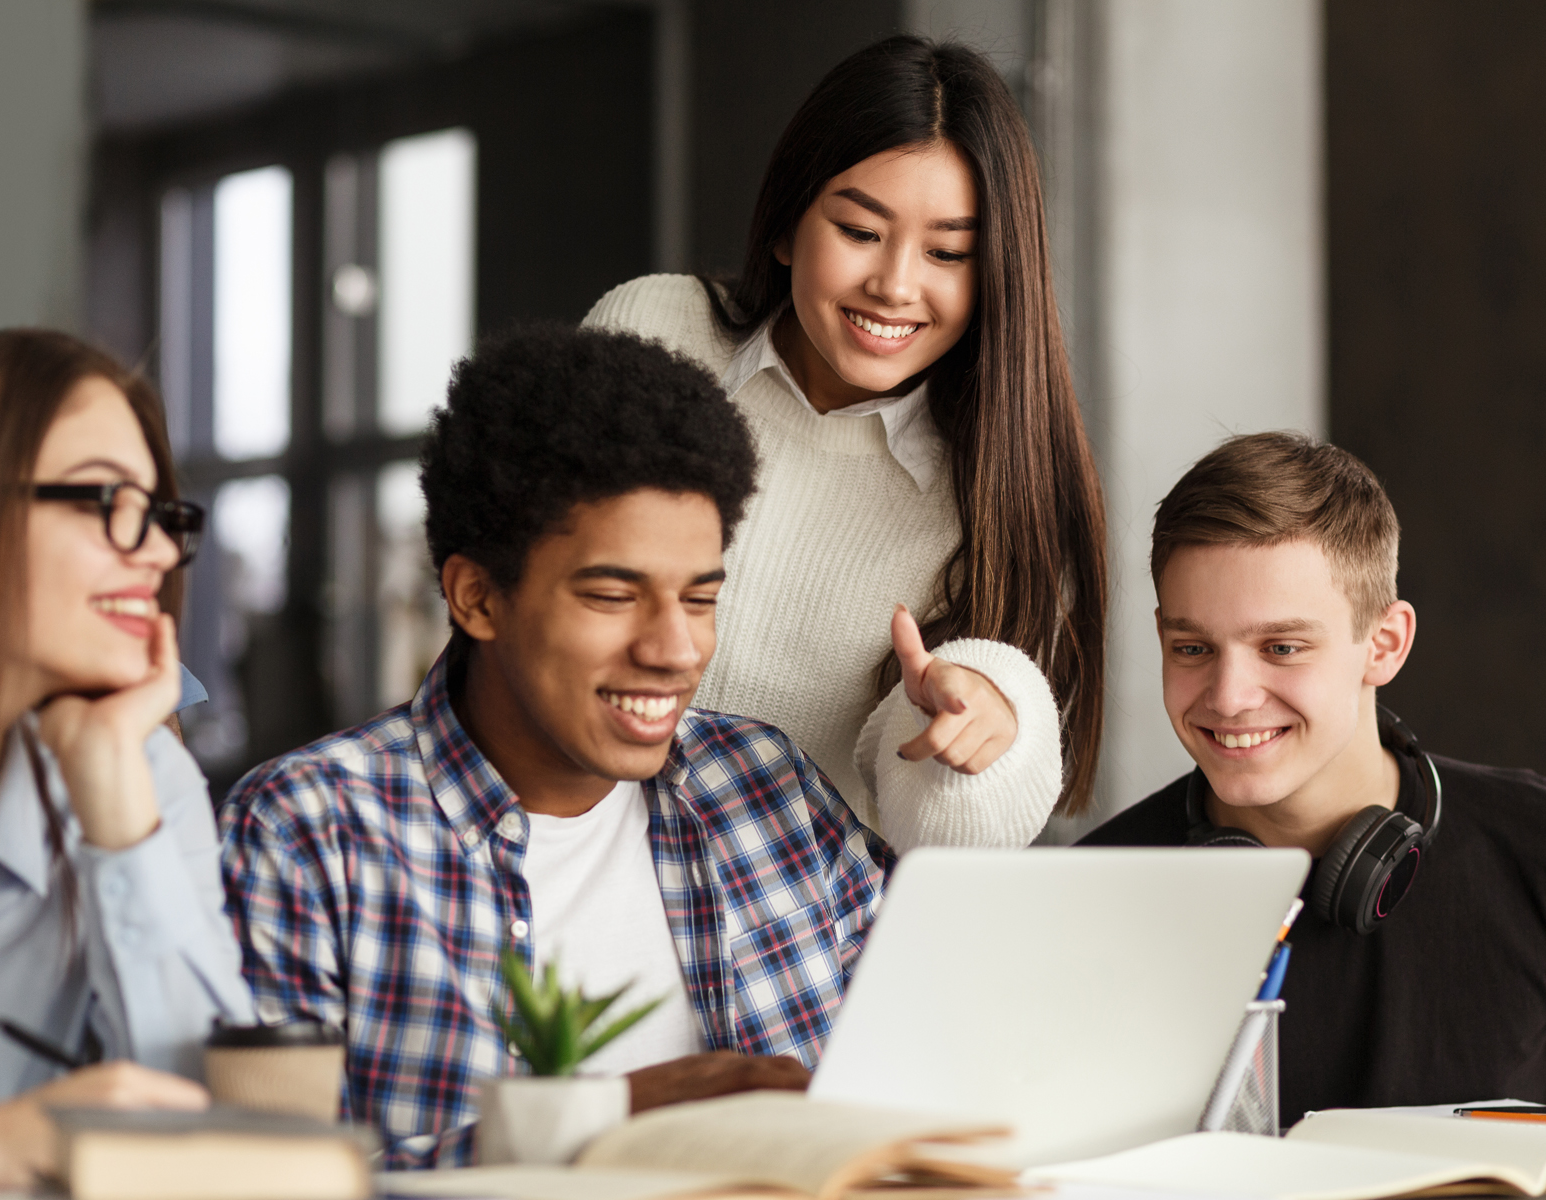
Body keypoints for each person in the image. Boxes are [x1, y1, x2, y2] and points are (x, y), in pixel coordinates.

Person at [220, 326, 1048, 1169]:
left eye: (698, 599)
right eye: (614, 596)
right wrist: (612, 1119)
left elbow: (942, 1071)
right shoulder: (310, 829)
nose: (674, 650)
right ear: (476, 597)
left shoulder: (766, 789)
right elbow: (256, 1182)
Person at [584, 35, 1104, 847]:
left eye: (948, 253)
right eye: (861, 231)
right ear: (788, 226)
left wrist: (980, 741)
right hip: (545, 863)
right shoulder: (652, 331)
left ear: (995, 272)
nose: (895, 284)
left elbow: (934, 833)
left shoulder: (992, 491)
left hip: (771, 937)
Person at [1081, 431, 1546, 1122]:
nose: (1230, 694)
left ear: (1384, 644)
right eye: (1193, 647)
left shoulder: (1531, 842)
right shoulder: (1087, 897)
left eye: (1282, 647)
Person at [0, 331, 255, 1184]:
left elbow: (214, 1146)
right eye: (103, 500)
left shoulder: (141, 768)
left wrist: (117, 799)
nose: (156, 550)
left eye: (159, 512)